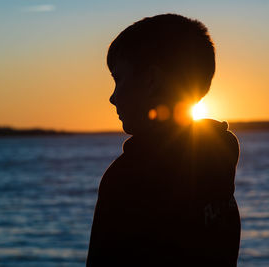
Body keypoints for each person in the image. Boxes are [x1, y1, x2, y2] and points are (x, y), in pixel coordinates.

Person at [87, 14, 240, 266]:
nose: (113, 97)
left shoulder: (127, 179)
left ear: (151, 81)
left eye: (118, 79)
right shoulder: (223, 149)